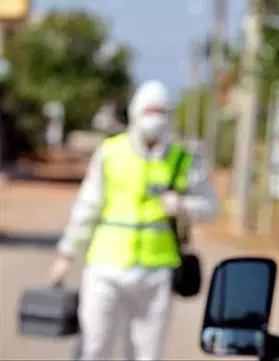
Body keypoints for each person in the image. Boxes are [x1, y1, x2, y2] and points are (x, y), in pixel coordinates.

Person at [48, 80, 219, 360]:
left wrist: (184, 205)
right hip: (105, 268)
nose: (154, 119)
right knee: (93, 346)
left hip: (156, 272)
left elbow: (211, 207)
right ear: (135, 113)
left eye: (161, 112)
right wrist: (67, 254)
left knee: (146, 352)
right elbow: (87, 207)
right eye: (149, 111)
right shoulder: (110, 153)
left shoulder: (183, 159)